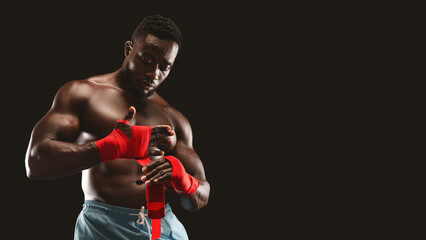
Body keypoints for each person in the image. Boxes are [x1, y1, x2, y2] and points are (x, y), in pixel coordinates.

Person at [25, 14, 210, 240]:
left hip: (163, 229)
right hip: (103, 228)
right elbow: (35, 162)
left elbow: (200, 197)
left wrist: (183, 179)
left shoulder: (173, 118)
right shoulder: (84, 94)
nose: (154, 74)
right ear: (128, 49)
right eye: (147, 60)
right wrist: (108, 148)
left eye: (164, 67)